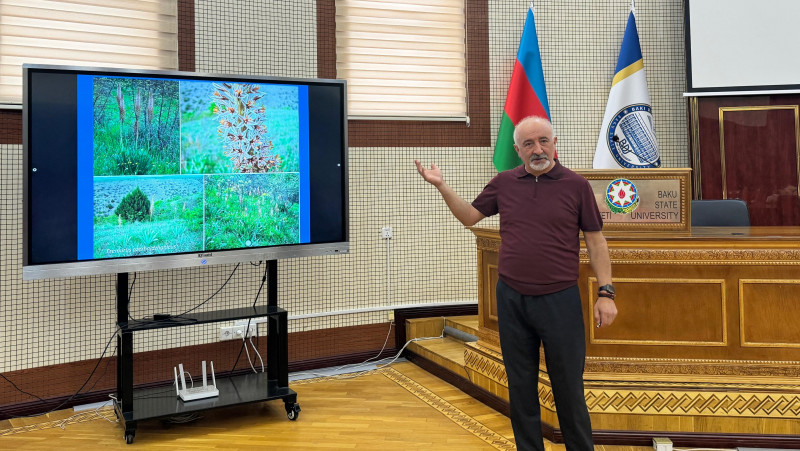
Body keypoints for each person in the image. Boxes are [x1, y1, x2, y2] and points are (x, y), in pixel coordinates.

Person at [414, 115, 617, 451]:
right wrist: (441, 185)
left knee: (568, 388)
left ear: (555, 144)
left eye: (543, 141)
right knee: (521, 389)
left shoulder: (576, 185)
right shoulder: (504, 183)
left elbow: (596, 242)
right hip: (512, 300)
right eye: (528, 144)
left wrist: (606, 293)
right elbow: (470, 217)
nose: (537, 149)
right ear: (518, 150)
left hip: (561, 301)